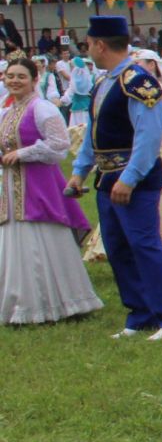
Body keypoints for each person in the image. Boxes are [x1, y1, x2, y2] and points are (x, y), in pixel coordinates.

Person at [68, 15, 162, 341]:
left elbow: (148, 136)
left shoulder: (138, 81)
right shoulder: (103, 82)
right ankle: (141, 314)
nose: (88, 49)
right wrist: (79, 173)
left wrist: (131, 177)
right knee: (118, 246)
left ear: (100, 44)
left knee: (144, 244)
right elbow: (93, 136)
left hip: (133, 178)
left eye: (89, 44)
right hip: (108, 177)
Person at [0, 54, 102, 324]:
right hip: (12, 187)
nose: (15, 81)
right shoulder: (7, 111)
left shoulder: (42, 108)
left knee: (42, 237)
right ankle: (20, 305)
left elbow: (59, 146)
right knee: (15, 239)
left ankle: (60, 302)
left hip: (40, 184)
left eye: (21, 76)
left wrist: (24, 153)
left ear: (35, 80)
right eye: (10, 76)